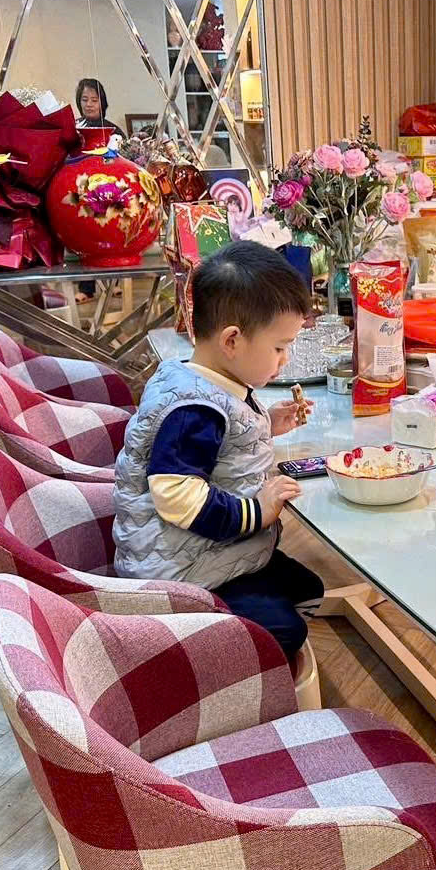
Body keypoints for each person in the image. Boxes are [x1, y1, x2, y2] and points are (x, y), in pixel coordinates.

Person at [112, 241, 321, 661]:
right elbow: (178, 496)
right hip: (178, 568)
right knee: (283, 632)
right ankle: (192, 653)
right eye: (279, 347)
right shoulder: (193, 411)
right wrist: (260, 512)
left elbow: (222, 446)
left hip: (209, 548)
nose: (285, 360)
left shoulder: (201, 378)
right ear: (232, 340)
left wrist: (268, 424)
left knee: (308, 589)